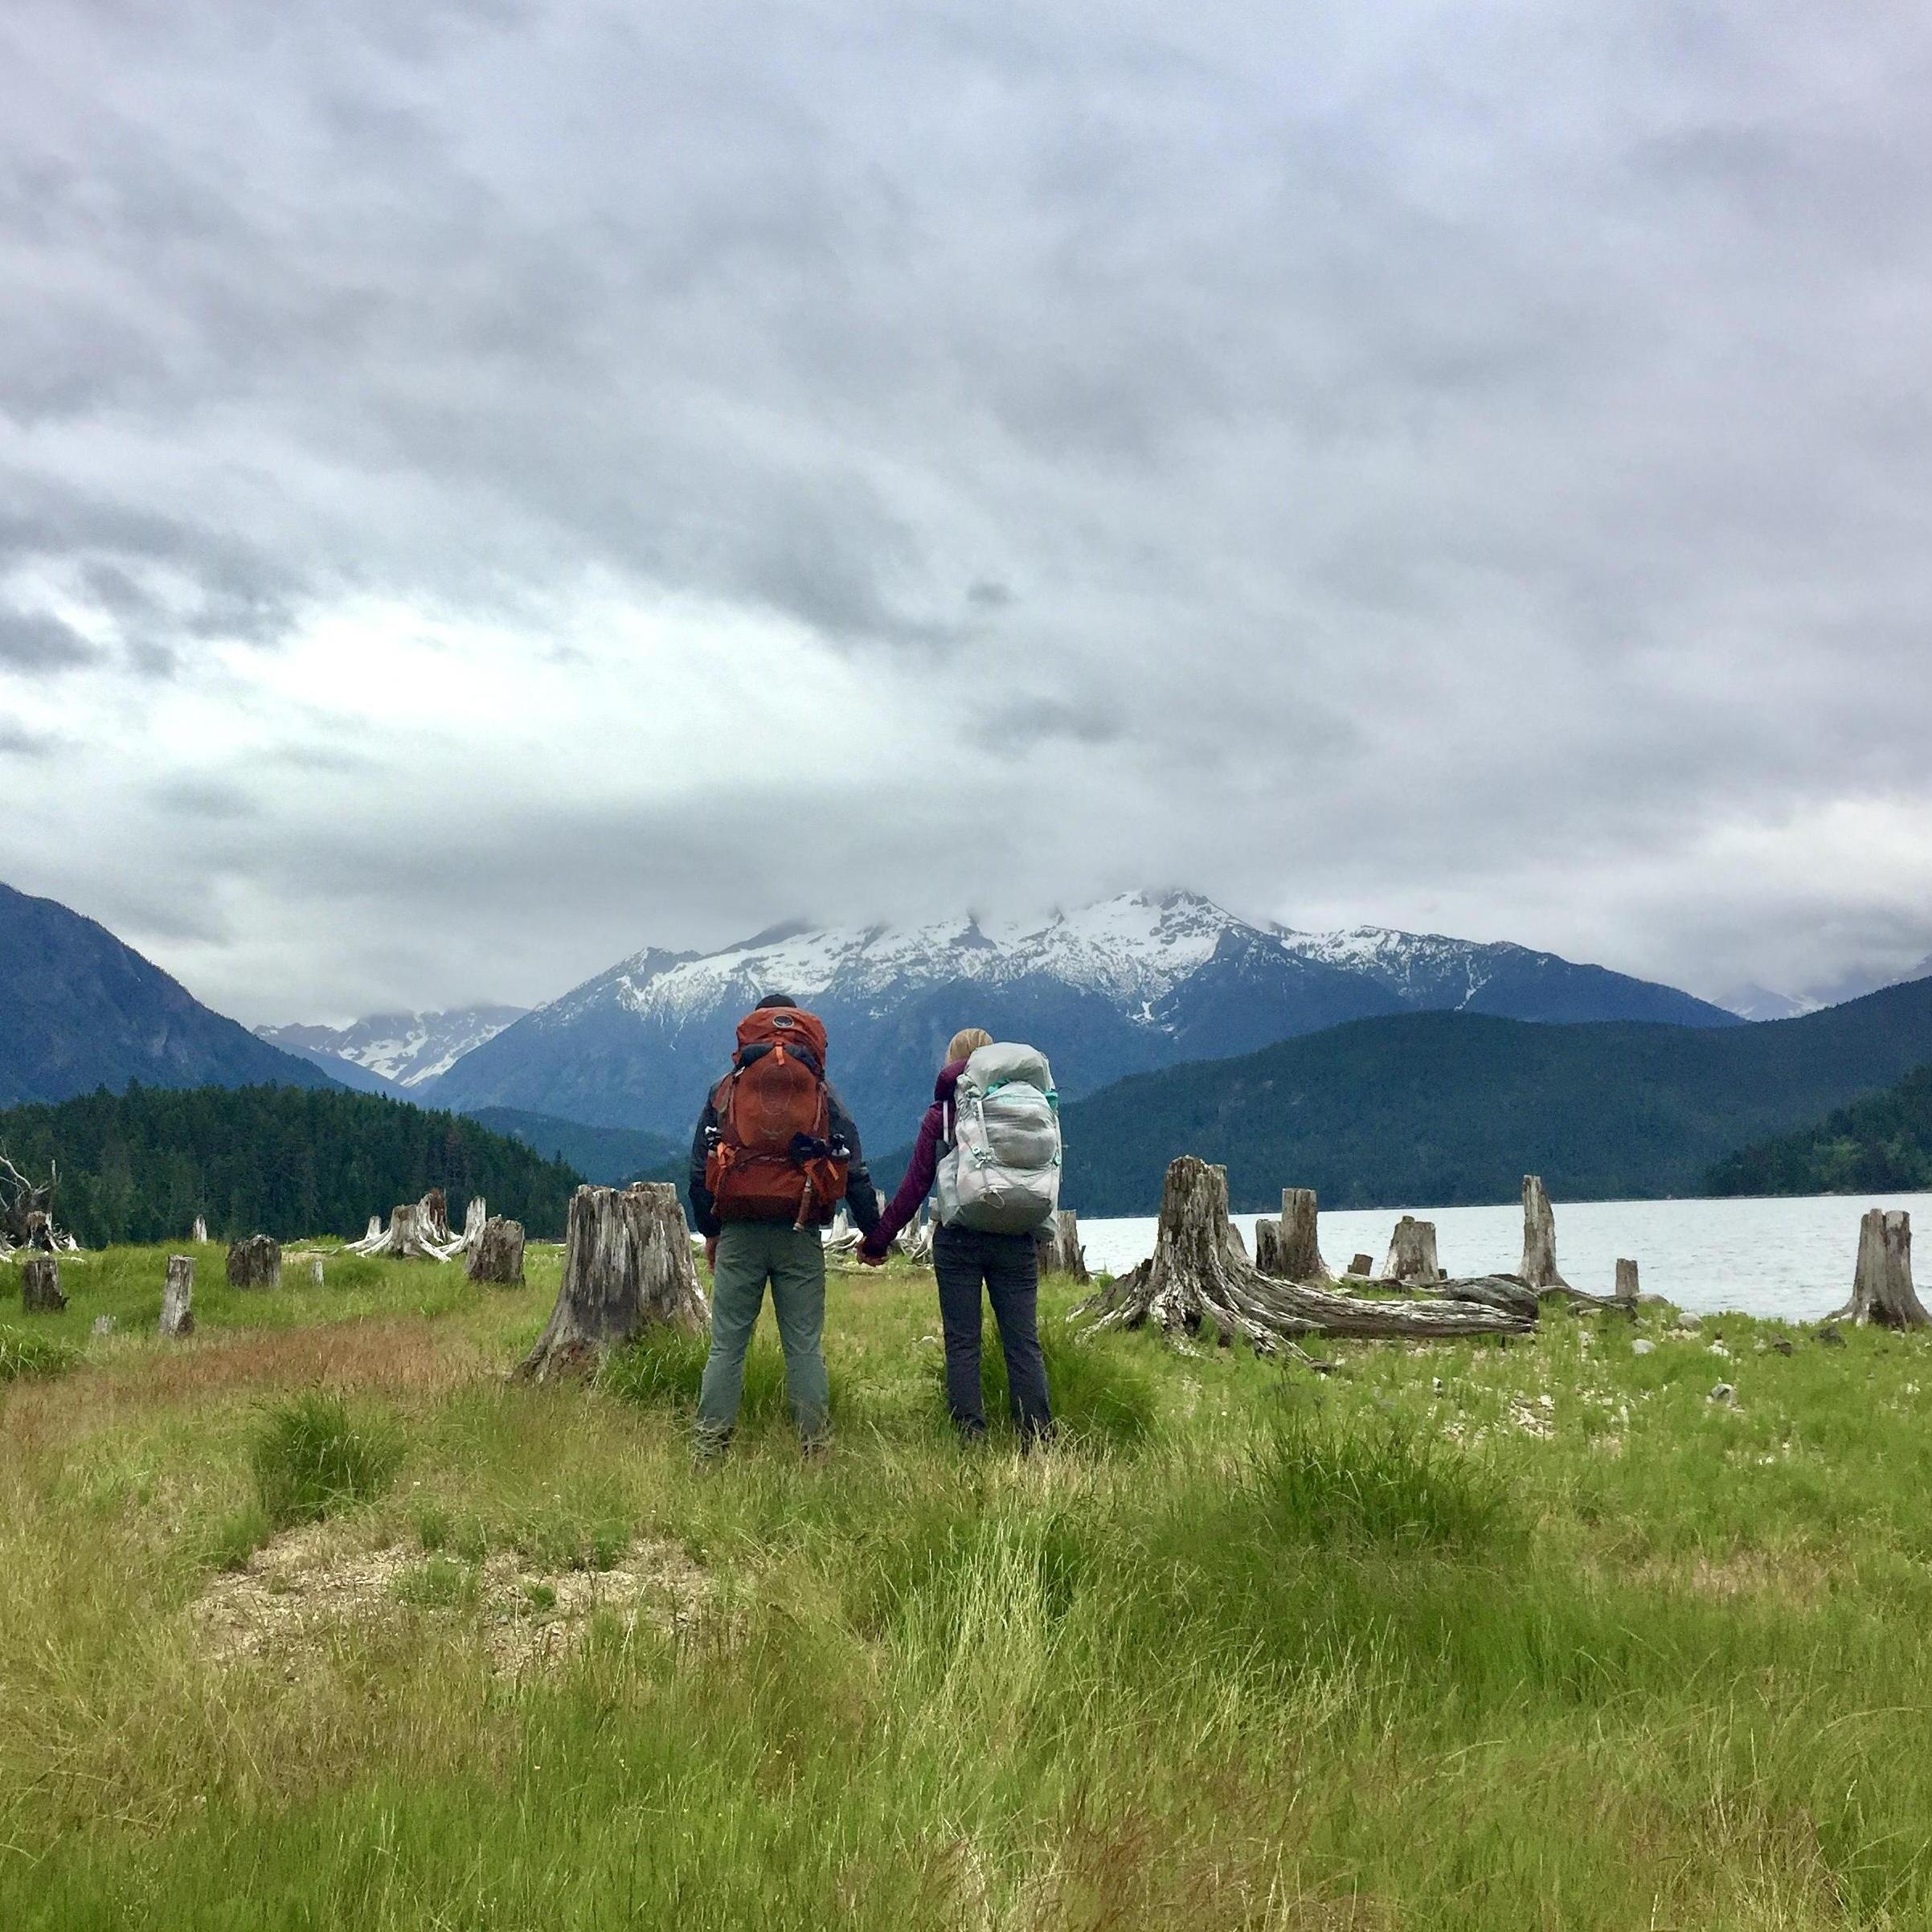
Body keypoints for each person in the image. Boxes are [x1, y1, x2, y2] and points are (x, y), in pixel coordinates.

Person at [688, 993, 880, 1459]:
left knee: (727, 1347)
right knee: (804, 1347)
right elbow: (851, 1168)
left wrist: (711, 1231)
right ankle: (815, 1450)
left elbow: (698, 1169)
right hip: (800, 1231)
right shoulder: (821, 1089)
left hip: (738, 1230)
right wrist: (874, 1236)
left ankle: (708, 1451)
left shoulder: (727, 1087)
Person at [859, 1027, 1054, 1447]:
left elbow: (915, 1187)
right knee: (1023, 1342)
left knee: (963, 1342)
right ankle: (1038, 1440)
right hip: (1017, 1237)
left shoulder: (943, 1114)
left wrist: (877, 1241)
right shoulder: (1025, 1106)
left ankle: (971, 1437)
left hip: (959, 1238)